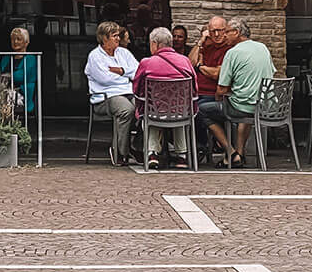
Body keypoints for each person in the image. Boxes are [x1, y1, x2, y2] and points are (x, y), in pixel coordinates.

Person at [132, 27, 198, 172]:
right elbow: (194, 89)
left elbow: (137, 90)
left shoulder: (146, 63)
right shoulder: (185, 61)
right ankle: (182, 155)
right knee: (179, 110)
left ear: (154, 44)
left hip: (155, 112)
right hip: (181, 113)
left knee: (150, 112)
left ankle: (152, 154)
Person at [215, 20, 276, 168]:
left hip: (245, 107)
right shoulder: (263, 48)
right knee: (243, 102)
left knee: (204, 110)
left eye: (227, 32)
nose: (224, 35)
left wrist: (218, 99)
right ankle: (240, 154)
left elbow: (221, 90)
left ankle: (231, 152)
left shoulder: (233, 52)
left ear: (236, 33)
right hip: (266, 106)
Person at [85, 22, 139, 166]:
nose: (117, 39)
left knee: (144, 109)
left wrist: (121, 71)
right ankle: (119, 152)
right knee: (127, 110)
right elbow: (105, 79)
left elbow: (139, 72)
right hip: (105, 97)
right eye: (114, 36)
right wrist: (127, 77)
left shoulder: (124, 53)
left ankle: (137, 147)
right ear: (104, 38)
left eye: (118, 35)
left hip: (129, 93)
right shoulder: (95, 56)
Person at [191, 14, 237, 162]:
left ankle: (201, 146)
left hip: (214, 95)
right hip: (196, 92)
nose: (216, 35)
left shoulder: (229, 49)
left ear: (226, 30)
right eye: (213, 31)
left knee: (197, 110)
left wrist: (201, 66)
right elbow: (190, 64)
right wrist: (200, 42)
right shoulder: (206, 45)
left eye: (220, 30)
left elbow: (219, 73)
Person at [1, 26, 38, 116]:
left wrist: (8, 76)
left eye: (19, 39)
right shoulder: (6, 58)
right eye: (13, 39)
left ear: (26, 42)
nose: (15, 42)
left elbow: (22, 76)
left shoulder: (31, 58)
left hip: (22, 93)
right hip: (4, 91)